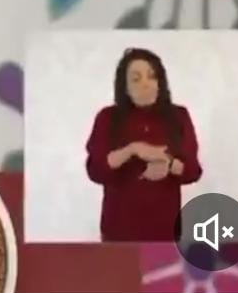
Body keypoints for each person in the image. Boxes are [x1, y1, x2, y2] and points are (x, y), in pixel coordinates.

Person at [84, 47, 202, 242]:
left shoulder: (178, 116)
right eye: (136, 79)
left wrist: (169, 163)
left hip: (166, 233)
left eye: (152, 77)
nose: (145, 84)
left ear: (160, 82)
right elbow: (96, 170)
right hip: (118, 234)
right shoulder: (107, 118)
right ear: (125, 87)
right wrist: (133, 149)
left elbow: (193, 171)